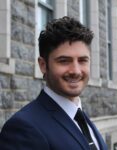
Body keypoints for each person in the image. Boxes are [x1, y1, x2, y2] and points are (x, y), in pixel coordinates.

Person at [0, 16, 107, 150]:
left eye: (82, 60)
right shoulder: (23, 128)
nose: (76, 71)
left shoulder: (80, 117)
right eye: (64, 61)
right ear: (43, 65)